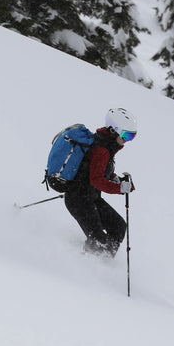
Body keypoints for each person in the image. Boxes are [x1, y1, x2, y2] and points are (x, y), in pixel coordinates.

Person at [64, 108, 137, 257]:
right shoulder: (102, 149)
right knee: (98, 239)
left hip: (90, 197)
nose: (127, 140)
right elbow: (96, 180)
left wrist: (115, 178)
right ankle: (86, 267)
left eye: (131, 136)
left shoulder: (106, 145)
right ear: (113, 130)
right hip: (78, 199)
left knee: (118, 226)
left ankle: (103, 261)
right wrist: (120, 188)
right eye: (126, 135)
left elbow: (99, 171)